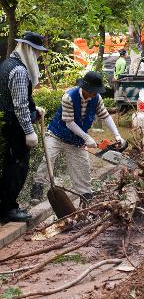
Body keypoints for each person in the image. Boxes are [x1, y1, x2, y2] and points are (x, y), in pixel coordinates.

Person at [31, 71, 124, 202]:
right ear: (86, 89)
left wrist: (117, 135)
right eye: (94, 91)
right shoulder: (68, 97)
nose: (95, 94)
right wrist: (87, 137)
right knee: (48, 160)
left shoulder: (96, 98)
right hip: (56, 135)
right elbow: (69, 123)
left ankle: (86, 197)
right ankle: (37, 188)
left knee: (83, 168)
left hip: (76, 141)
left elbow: (106, 116)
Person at [0, 32, 47, 221]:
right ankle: (8, 209)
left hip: (8, 122)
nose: (38, 56)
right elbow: (19, 105)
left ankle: (4, 205)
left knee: (10, 165)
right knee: (18, 167)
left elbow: (17, 99)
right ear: (29, 49)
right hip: (15, 127)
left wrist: (34, 110)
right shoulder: (19, 70)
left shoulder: (6, 64)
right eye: (36, 52)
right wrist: (29, 131)